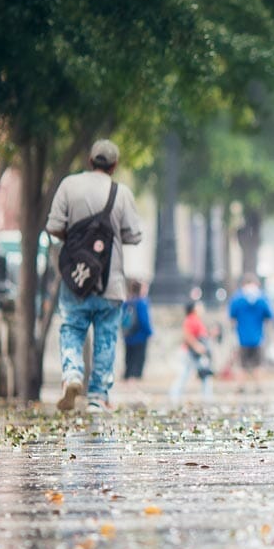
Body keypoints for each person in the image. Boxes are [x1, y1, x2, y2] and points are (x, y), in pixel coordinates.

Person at [46, 139, 143, 412]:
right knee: (106, 337)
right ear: (114, 166)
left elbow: (53, 227)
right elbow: (134, 235)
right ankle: (98, 397)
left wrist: (78, 239)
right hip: (110, 281)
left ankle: (73, 375)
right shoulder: (120, 193)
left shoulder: (68, 185)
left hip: (75, 278)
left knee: (72, 329)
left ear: (90, 160)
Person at [227, 273, 274, 393]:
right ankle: (258, 386)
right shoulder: (262, 298)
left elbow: (231, 317)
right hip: (258, 337)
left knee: (242, 364)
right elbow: (270, 315)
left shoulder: (237, 298)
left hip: (241, 337)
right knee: (258, 364)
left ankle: (241, 387)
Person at [169, 299, 215, 403]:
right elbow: (187, 335)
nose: (202, 308)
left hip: (196, 353)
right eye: (199, 306)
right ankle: (175, 394)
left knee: (200, 375)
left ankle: (207, 397)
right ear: (194, 308)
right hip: (191, 353)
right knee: (189, 374)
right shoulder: (190, 319)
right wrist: (197, 346)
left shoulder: (197, 320)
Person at [121, 280, 154, 381]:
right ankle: (133, 382)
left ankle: (127, 378)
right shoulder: (142, 302)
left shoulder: (127, 302)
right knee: (138, 360)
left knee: (129, 359)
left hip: (128, 335)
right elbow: (144, 320)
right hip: (140, 336)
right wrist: (150, 332)